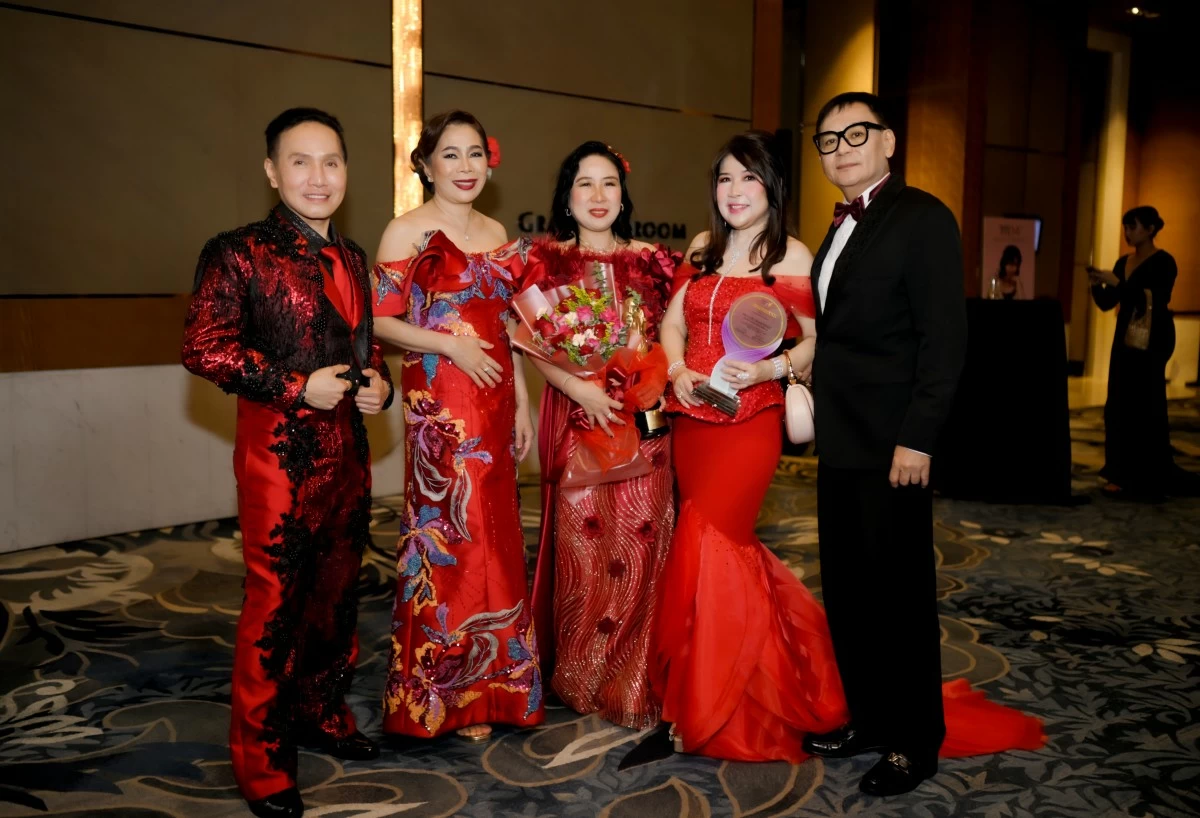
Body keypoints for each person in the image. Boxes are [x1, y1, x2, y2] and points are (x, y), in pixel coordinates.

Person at [182, 108, 393, 818]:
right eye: (300, 162)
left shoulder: (355, 255)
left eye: (331, 161)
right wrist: (295, 387)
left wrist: (379, 381)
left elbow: (363, 345)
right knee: (271, 611)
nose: (318, 176)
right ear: (272, 172)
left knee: (336, 600)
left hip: (349, 459)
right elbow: (204, 347)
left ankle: (321, 714)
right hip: (279, 456)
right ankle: (263, 765)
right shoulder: (238, 251)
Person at [801, 91, 968, 795]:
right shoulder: (834, 227)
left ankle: (913, 740)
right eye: (828, 140)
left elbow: (944, 341)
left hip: (894, 448)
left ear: (889, 141)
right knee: (849, 593)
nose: (841, 148)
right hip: (841, 442)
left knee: (899, 599)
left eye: (856, 134)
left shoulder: (923, 218)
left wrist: (919, 440)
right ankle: (867, 719)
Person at [371, 110, 544, 745]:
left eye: (476, 154)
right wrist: (447, 345)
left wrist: (521, 402)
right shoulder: (406, 230)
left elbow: (505, 331)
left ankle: (498, 686)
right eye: (451, 155)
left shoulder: (496, 229)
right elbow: (381, 321)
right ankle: (448, 694)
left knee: (497, 533)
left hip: (496, 397)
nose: (466, 167)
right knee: (453, 532)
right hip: (440, 403)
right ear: (425, 164)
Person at [525, 141, 679, 729]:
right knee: (584, 543)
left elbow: (672, 338)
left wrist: (652, 378)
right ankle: (582, 674)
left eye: (608, 183)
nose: (597, 196)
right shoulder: (547, 262)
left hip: (643, 421)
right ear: (566, 197)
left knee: (643, 539)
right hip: (577, 416)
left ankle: (635, 675)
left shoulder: (656, 261)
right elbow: (530, 340)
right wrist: (579, 387)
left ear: (623, 192)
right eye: (584, 184)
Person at [1089, 206, 1189, 499]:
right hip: (1125, 338)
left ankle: (1147, 472)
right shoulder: (1124, 262)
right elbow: (1110, 303)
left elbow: (1154, 300)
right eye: (1125, 227)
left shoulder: (1164, 262)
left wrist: (1119, 284)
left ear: (1149, 229)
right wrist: (1098, 285)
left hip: (1153, 338)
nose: (1127, 233)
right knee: (1118, 401)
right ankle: (1118, 472)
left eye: (1132, 227)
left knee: (1145, 402)